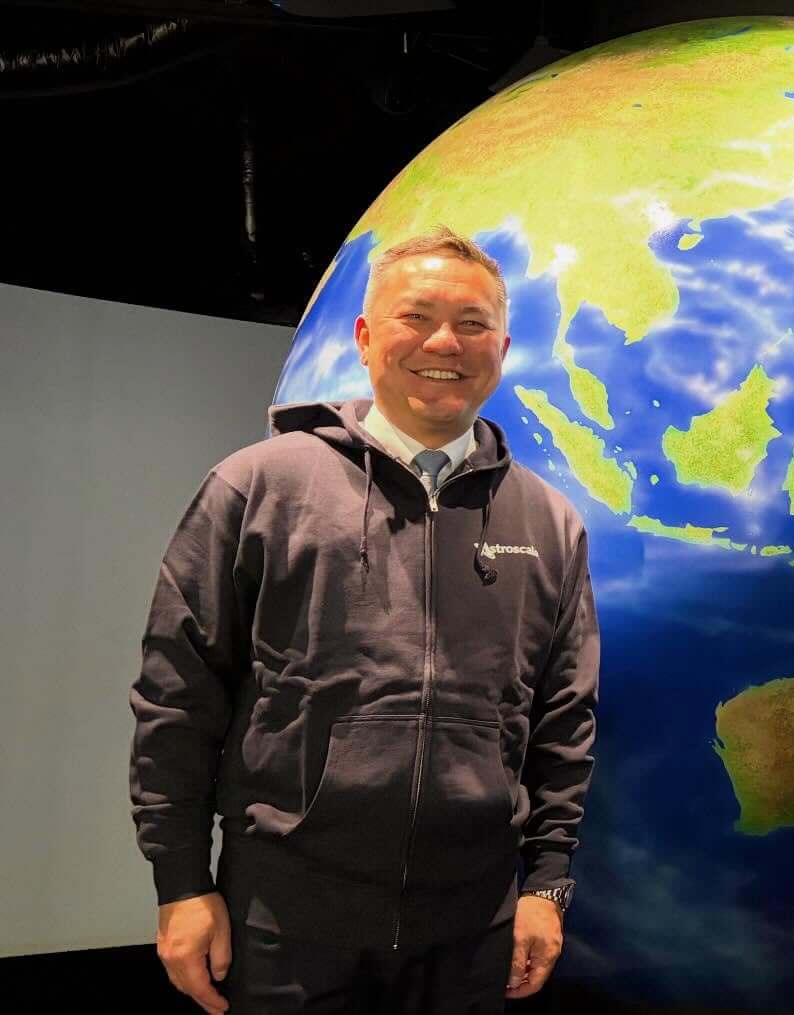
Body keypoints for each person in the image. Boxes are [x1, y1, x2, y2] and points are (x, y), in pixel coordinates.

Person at [130, 226, 598, 1013]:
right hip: (284, 920)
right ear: (366, 336)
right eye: (416, 316)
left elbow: (564, 719)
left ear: (503, 346)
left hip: (471, 929)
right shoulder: (257, 488)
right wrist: (179, 880)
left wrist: (546, 883)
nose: (444, 342)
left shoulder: (549, 524)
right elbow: (177, 697)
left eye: (473, 323)